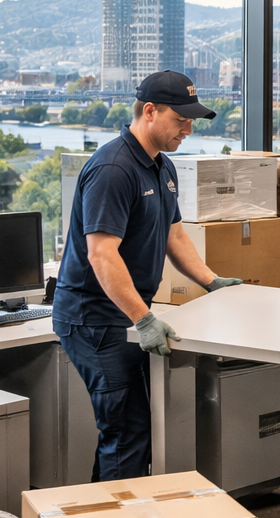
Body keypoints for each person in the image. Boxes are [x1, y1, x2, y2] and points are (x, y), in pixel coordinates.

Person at [53, 71, 243, 482]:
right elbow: (102, 255)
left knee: (132, 427)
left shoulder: (162, 167)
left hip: (128, 311)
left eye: (192, 122)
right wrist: (143, 318)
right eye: (181, 120)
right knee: (126, 430)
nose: (188, 130)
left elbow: (174, 234)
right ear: (150, 111)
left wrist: (212, 281)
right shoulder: (113, 169)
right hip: (94, 318)